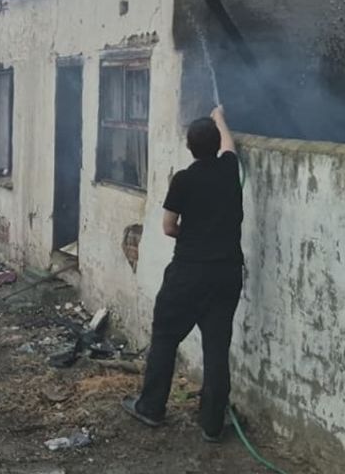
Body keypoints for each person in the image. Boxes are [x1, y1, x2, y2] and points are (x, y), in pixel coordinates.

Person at [123, 105, 244, 443]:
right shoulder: (229, 170)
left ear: (190, 148)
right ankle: (212, 424)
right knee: (217, 348)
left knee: (164, 337)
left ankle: (151, 407)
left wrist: (190, 234)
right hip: (226, 275)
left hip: (189, 274)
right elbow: (230, 147)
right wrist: (221, 116)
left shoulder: (184, 180)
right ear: (215, 143)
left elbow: (168, 227)